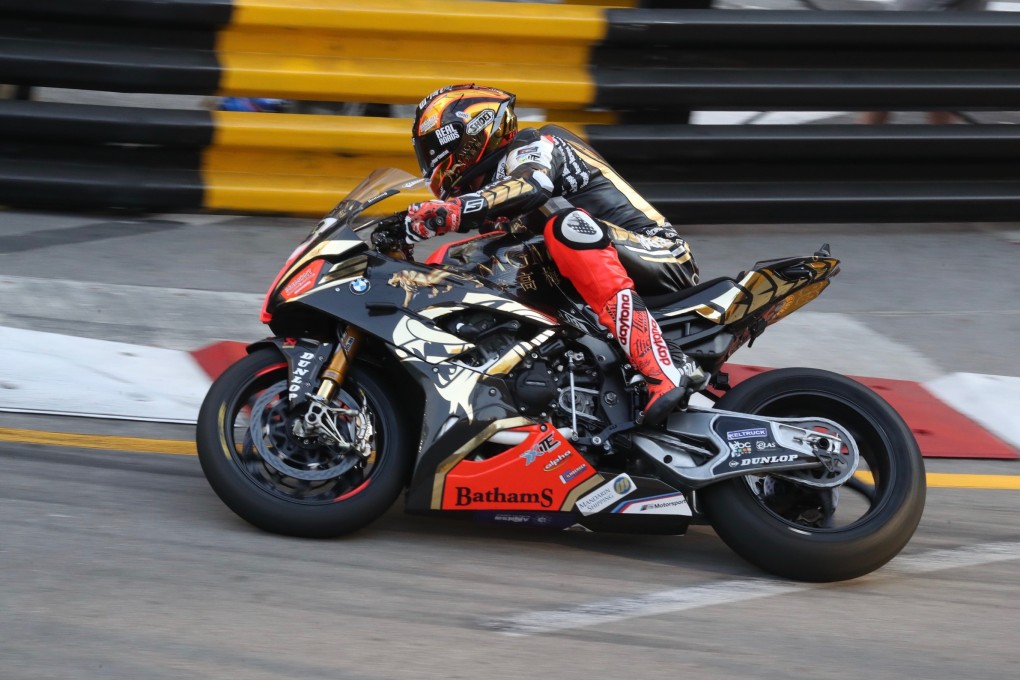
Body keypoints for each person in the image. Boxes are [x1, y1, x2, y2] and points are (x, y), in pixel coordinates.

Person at [403, 84, 706, 426]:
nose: (430, 162)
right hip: (593, 269)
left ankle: (661, 365)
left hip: (659, 252)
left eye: (432, 150)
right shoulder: (494, 182)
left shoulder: (535, 145)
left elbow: (532, 185)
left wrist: (449, 211)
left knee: (566, 225)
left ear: (468, 133)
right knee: (452, 258)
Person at [859, 0, 989, 125]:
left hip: (901, 40)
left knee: (884, 88)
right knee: (943, 85)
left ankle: (861, 141)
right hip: (939, 47)